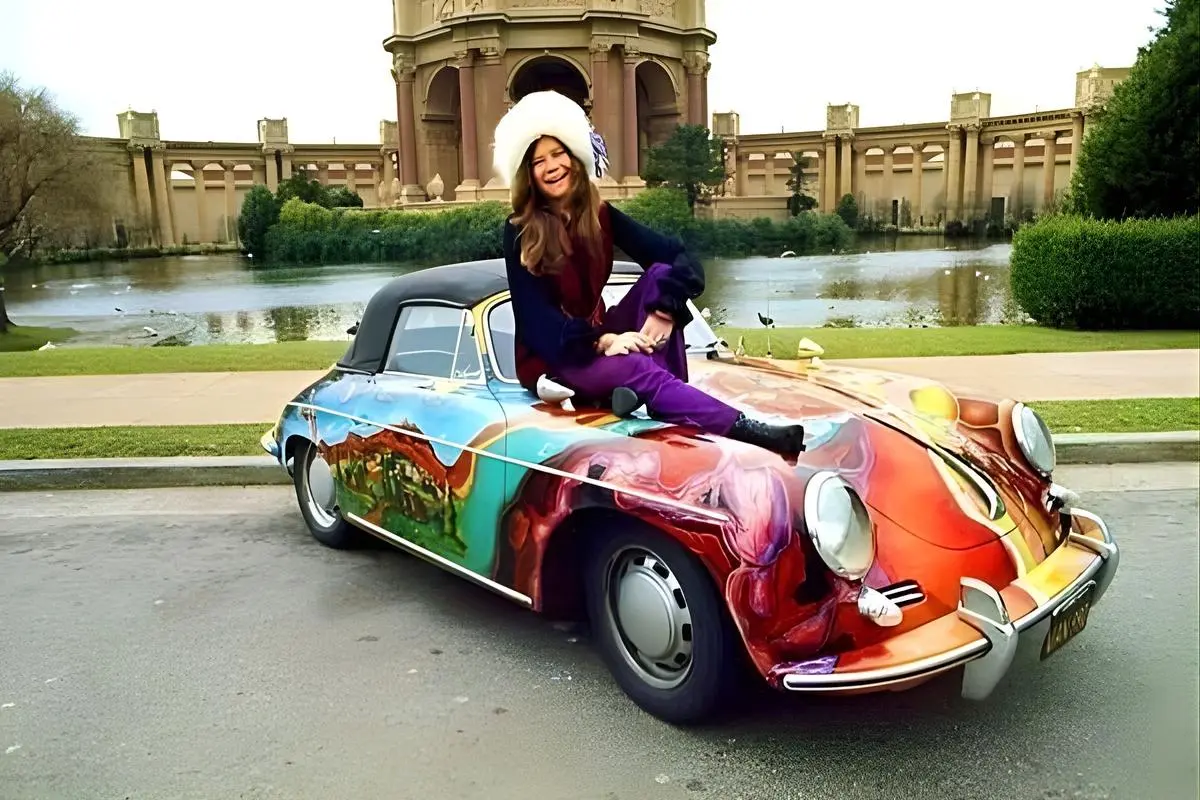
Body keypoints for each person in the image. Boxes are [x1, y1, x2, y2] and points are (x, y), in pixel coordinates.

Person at [492, 90, 805, 457]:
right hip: (554, 360)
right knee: (636, 365)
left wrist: (665, 308)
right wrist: (604, 342)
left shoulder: (601, 215)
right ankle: (748, 430)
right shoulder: (519, 229)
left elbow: (679, 256)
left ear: (575, 157)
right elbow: (535, 323)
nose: (551, 166)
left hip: (597, 339)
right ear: (528, 174)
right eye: (538, 161)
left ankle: (658, 398)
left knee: (660, 274)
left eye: (558, 153)